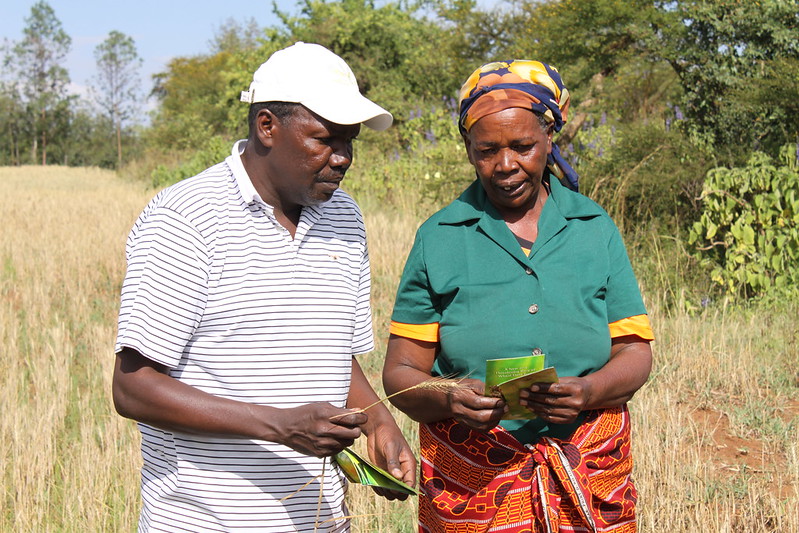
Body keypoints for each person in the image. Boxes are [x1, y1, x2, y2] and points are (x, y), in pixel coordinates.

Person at [113, 42, 416, 532]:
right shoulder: (185, 219)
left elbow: (336, 356)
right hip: (205, 521)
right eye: (325, 138)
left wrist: (380, 423)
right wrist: (280, 426)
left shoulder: (346, 218)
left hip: (319, 518)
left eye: (350, 141)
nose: (342, 158)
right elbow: (133, 389)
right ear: (267, 127)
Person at [382, 59, 654, 532]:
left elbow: (634, 351)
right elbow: (400, 374)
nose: (506, 165)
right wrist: (450, 397)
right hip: (473, 483)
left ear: (550, 139)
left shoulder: (593, 227)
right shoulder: (440, 236)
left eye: (523, 146)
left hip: (588, 468)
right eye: (487, 150)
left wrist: (588, 391)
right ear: (468, 150)